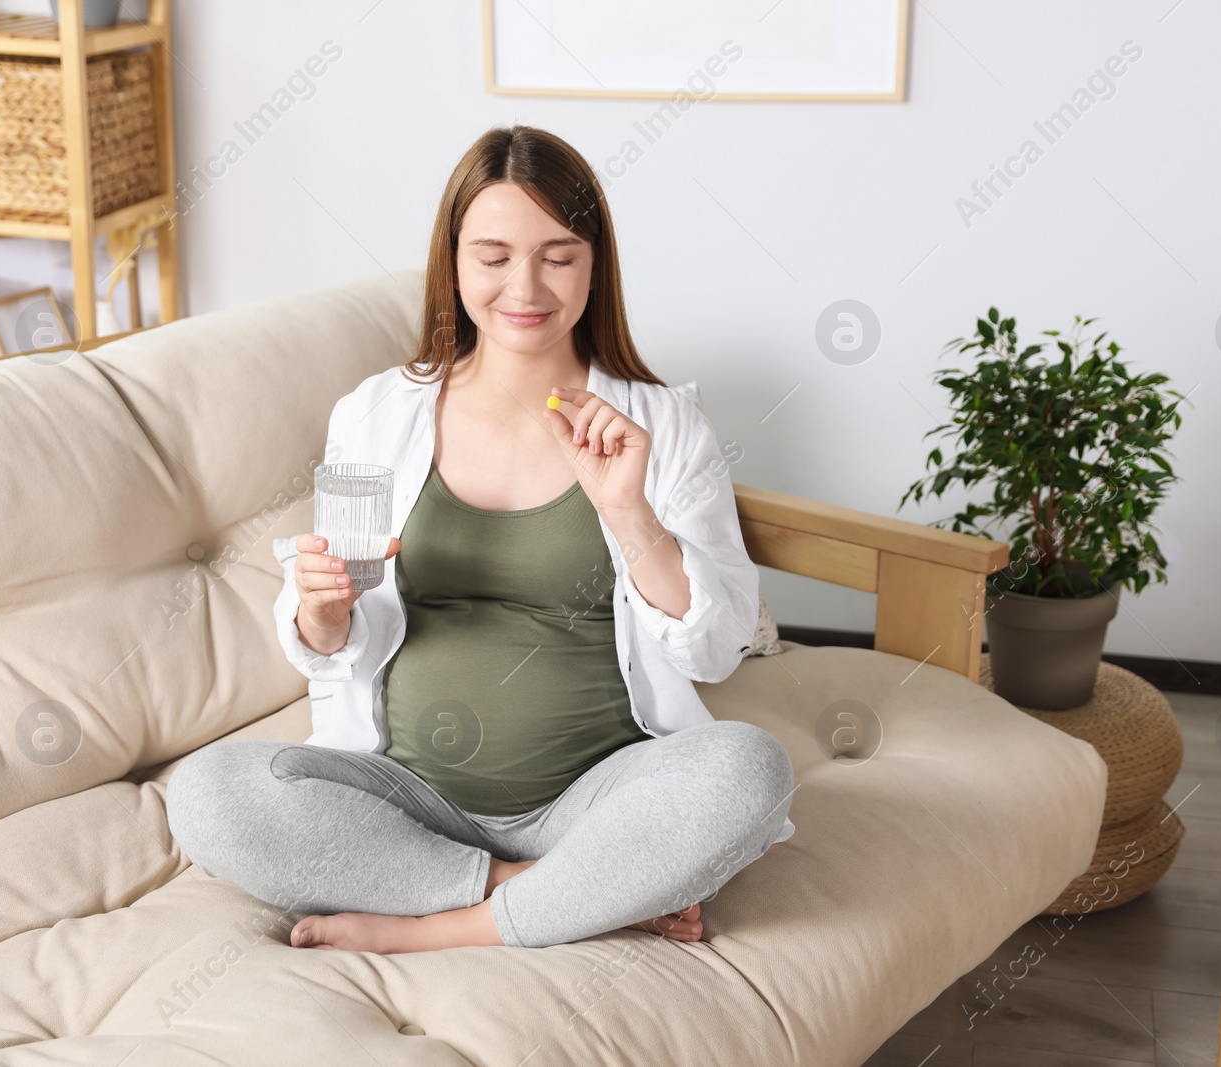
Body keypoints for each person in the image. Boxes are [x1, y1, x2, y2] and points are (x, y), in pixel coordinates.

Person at [164, 125, 794, 954]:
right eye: (492, 256)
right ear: (453, 261)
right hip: (407, 795)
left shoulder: (663, 424)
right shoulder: (376, 414)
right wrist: (321, 611)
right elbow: (329, 640)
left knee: (750, 768)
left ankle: (445, 925)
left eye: (557, 256)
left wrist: (630, 516)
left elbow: (715, 650)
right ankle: (547, 892)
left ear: (594, 263)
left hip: (597, 795)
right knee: (208, 790)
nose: (524, 285)